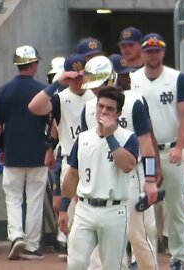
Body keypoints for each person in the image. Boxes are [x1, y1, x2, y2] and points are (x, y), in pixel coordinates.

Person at [82, 55, 159, 270]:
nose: (95, 91)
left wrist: (150, 179)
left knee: (140, 236)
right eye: (93, 87)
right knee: (101, 240)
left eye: (99, 85)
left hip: (133, 176)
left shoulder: (134, 101)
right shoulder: (89, 108)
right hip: (102, 180)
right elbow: (86, 148)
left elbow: (146, 143)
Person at [130, 33, 184, 270]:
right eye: (149, 50)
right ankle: (141, 257)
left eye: (157, 50)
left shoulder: (178, 79)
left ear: (163, 52)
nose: (153, 54)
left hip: (169, 150)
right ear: (142, 52)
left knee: (175, 207)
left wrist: (180, 145)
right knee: (142, 207)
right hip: (142, 152)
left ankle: (178, 257)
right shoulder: (133, 79)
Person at [58, 86, 139, 270]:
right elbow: (72, 174)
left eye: (110, 109)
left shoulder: (128, 138)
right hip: (85, 208)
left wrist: (110, 137)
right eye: (100, 106)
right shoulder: (83, 138)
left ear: (118, 113)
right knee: (76, 264)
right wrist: (64, 208)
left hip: (114, 209)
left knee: (113, 266)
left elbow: (127, 165)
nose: (103, 111)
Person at [28, 53, 96, 259]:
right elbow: (34, 107)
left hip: (96, 160)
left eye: (81, 75)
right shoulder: (60, 98)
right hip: (70, 161)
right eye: (74, 75)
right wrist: (57, 83)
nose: (78, 80)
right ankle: (77, 259)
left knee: (97, 214)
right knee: (74, 217)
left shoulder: (96, 95)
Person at [0, 45, 48, 260]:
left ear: (17, 64)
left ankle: (16, 236)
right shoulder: (43, 90)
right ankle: (32, 246)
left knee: (13, 198)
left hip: (12, 154)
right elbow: (50, 123)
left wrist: (0, 149)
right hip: (38, 154)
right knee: (34, 199)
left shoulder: (3, 90)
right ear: (33, 64)